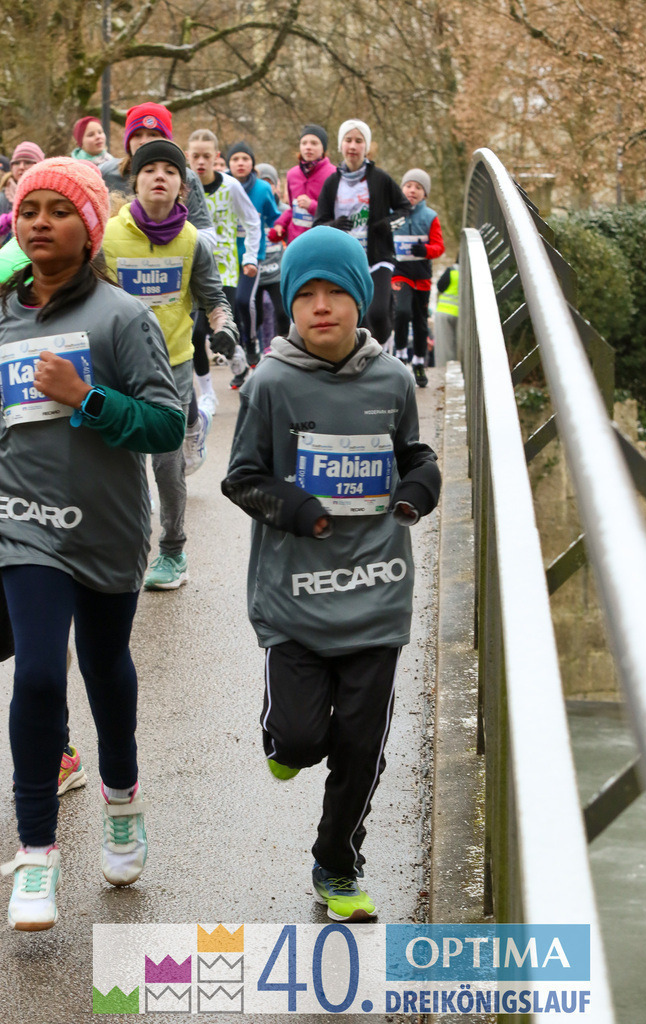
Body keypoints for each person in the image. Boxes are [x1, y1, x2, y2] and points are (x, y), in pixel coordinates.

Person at [222, 226, 441, 921]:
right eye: (305, 294)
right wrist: (300, 508)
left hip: (376, 595)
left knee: (360, 744)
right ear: (289, 305)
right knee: (300, 740)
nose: (321, 307)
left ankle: (337, 863)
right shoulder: (270, 383)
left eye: (336, 293)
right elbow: (241, 478)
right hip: (295, 599)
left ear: (360, 299)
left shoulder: (392, 378)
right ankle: (281, 734)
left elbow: (415, 455)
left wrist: (415, 492)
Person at [0, 157, 185, 931]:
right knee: (39, 675)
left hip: (105, 528)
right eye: (28, 209)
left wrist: (88, 399)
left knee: (107, 675)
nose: (39, 221)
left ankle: (122, 798)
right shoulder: (2, 317)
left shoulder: (120, 318)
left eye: (58, 210)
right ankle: (36, 854)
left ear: (88, 228)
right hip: (22, 524)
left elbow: (166, 423)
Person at [103, 139, 237, 589]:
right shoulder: (108, 236)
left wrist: (224, 328)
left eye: (169, 170)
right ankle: (123, 547)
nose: (159, 175)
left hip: (172, 366)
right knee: (119, 461)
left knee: (166, 463)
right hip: (117, 365)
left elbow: (215, 299)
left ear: (182, 185)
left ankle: (173, 551)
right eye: (149, 169)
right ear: (135, 180)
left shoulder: (192, 241)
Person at [313, 119, 410, 349]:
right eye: (348, 140)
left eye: (358, 141)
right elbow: (317, 225)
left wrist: (388, 224)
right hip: (346, 260)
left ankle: (387, 348)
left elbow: (405, 210)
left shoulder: (381, 179)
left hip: (378, 257)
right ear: (341, 146)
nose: (353, 146)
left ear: (366, 147)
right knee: (360, 318)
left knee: (377, 313)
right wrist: (334, 225)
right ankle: (369, 360)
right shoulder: (332, 183)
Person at [185, 128, 258, 415]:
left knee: (215, 330)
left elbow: (252, 221)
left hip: (224, 271)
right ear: (187, 157)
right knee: (195, 335)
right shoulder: (184, 188)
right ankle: (207, 393)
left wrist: (250, 255)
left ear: (216, 158)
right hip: (191, 270)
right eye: (195, 156)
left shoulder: (230, 187)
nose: (200, 162)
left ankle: (233, 352)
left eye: (206, 156)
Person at [99, 102, 217, 248]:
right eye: (137, 135)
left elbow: (207, 236)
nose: (144, 141)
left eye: (153, 134)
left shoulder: (187, 177)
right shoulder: (105, 173)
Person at [226, 141, 280, 385]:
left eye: (245, 159)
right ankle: (238, 367)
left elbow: (274, 217)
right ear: (228, 163)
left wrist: (281, 227)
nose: (240, 163)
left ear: (252, 164)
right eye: (235, 158)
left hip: (252, 255)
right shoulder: (223, 186)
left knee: (243, 301)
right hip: (226, 257)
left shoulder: (261, 189)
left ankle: (252, 343)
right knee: (230, 310)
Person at [391, 169, 445, 387]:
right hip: (399, 273)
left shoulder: (430, 217)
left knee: (421, 323)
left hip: (421, 276)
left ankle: (419, 362)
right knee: (402, 312)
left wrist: (424, 250)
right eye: (408, 186)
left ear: (425, 194)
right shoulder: (393, 213)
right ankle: (401, 354)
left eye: (418, 187)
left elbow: (439, 247)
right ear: (402, 189)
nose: (412, 190)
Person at [269, 125, 336, 245]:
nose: (308, 147)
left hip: (322, 241)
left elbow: (335, 213)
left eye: (314, 143)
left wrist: (311, 206)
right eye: (304, 143)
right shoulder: (292, 174)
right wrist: (280, 224)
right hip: (296, 242)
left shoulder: (333, 174)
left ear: (323, 148)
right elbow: (292, 209)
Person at [255, 163, 290, 350]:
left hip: (278, 272)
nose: (267, 188)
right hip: (257, 273)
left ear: (276, 186)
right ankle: (259, 350)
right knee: (257, 317)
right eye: (262, 183)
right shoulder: (252, 209)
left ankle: (286, 349)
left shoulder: (284, 212)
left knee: (283, 314)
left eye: (270, 183)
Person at [0, 142, 45, 245]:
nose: (21, 167)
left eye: (28, 162)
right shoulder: (2, 198)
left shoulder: (49, 194)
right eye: (16, 163)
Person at [434, 260, 460, 366]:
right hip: (462, 314)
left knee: (444, 347)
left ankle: (444, 369)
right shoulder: (474, 272)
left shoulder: (452, 270)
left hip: (444, 312)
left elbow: (440, 286)